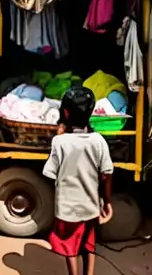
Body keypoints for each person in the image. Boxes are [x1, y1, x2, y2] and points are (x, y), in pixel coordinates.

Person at [43, 86, 114, 275]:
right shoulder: (99, 141)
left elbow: (49, 173)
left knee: (70, 247)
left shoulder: (60, 142)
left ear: (65, 112)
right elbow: (106, 174)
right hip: (91, 206)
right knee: (88, 243)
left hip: (67, 208)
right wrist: (107, 201)